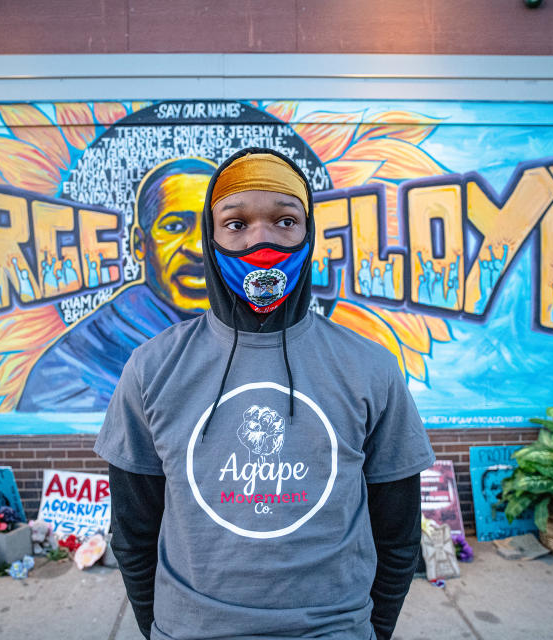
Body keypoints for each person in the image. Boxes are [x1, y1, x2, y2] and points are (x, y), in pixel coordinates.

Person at [95, 148, 434, 640]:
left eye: (285, 220)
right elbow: (133, 530)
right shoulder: (152, 368)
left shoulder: (370, 368)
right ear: (211, 238)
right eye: (236, 224)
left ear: (308, 234)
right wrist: (161, 626)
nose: (261, 240)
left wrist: (372, 631)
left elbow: (398, 533)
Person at [17, 157, 215, 412]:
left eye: (212, 228)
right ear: (139, 245)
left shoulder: (248, 331)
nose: (197, 249)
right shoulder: (78, 362)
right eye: (175, 227)